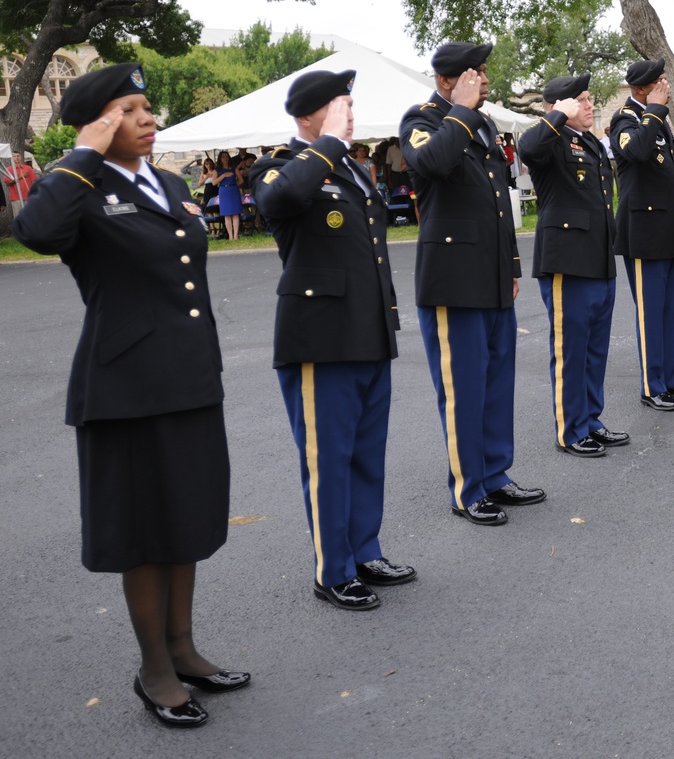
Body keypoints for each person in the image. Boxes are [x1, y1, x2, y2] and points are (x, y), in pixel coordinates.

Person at [12, 63, 248, 729]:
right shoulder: (80, 188)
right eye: (130, 109)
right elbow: (36, 232)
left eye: (147, 107)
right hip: (126, 389)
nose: (147, 118)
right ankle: (154, 669)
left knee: (185, 520)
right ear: (99, 122)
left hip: (189, 379)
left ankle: (184, 648)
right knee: (144, 533)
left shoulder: (168, 183)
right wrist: (83, 149)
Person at [249, 71, 414, 610]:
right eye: (339, 104)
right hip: (319, 337)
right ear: (306, 118)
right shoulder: (277, 167)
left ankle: (365, 551)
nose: (350, 111)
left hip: (366, 330)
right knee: (329, 459)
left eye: (350, 102)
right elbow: (282, 200)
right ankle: (333, 569)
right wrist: (326, 145)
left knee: (367, 455)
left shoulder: (350, 168)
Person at [399, 41, 545, 525]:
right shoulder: (421, 121)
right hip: (453, 280)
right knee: (464, 387)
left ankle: (496, 475)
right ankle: (468, 488)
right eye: (475, 73)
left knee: (497, 382)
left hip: (492, 275)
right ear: (447, 81)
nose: (485, 80)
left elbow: (498, 203)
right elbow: (433, 165)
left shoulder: (481, 122)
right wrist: (459, 111)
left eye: (483, 72)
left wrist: (512, 266)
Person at [519, 73, 629, 457]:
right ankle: (570, 429)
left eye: (589, 99)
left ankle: (591, 420)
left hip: (598, 258)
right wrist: (556, 117)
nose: (589, 105)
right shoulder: (548, 138)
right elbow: (528, 149)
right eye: (580, 100)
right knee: (571, 350)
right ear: (560, 105)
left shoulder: (589, 142)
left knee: (595, 349)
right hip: (568, 261)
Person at [610, 58, 674, 411]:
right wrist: (653, 111)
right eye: (658, 82)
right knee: (651, 312)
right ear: (639, 90)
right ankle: (652, 386)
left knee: (671, 309)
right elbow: (634, 151)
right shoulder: (627, 119)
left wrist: (656, 112)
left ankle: (672, 378)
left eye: (665, 80)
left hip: (667, 226)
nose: (665, 86)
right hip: (644, 231)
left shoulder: (656, 117)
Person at [213, 150, 242, 240]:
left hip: (233, 189)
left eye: (227, 156)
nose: (225, 158)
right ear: (220, 159)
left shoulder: (234, 168)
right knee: (227, 214)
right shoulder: (216, 170)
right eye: (223, 157)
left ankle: (236, 235)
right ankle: (230, 236)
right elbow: (214, 182)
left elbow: (241, 180)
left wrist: (235, 185)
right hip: (223, 190)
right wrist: (224, 175)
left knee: (235, 213)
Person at [3, 151, 38, 216]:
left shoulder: (28, 168)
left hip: (28, 197)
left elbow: (34, 182)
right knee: (18, 217)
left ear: (21, 157)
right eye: (14, 156)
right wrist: (20, 177)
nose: (16, 158)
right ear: (12, 158)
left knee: (30, 217)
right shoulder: (9, 169)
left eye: (18, 156)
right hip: (16, 199)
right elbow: (7, 183)